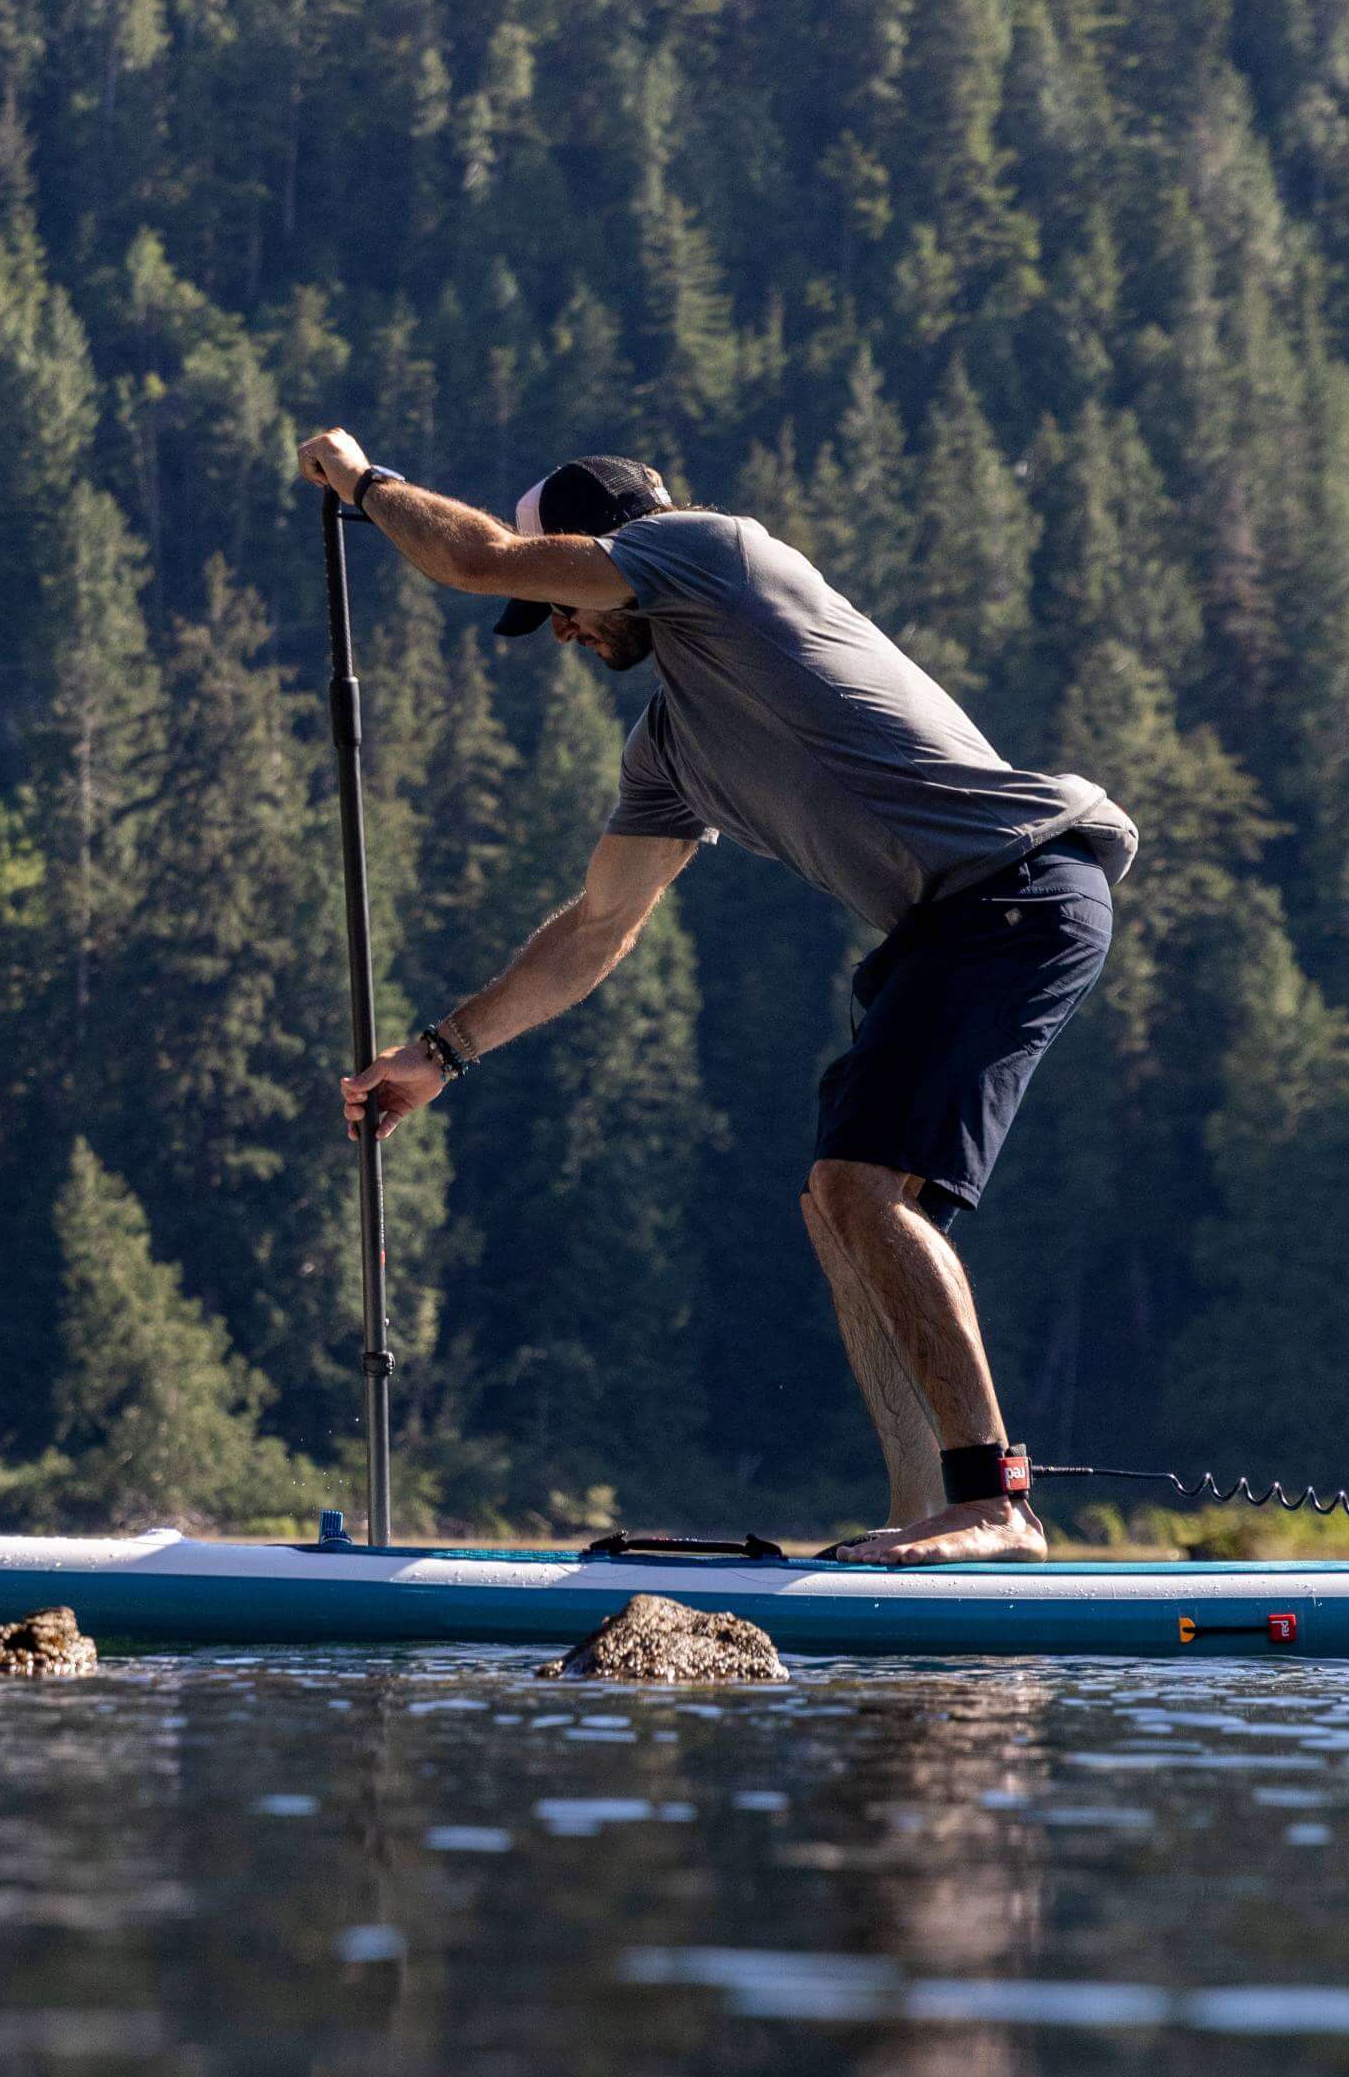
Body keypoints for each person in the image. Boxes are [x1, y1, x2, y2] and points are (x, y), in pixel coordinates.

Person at [292, 429, 1137, 1563]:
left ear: (605, 551)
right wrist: (439, 1053)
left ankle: (995, 1504)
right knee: (840, 1204)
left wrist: (362, 480)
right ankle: (925, 1514)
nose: (559, 628)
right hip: (949, 929)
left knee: (863, 1187)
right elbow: (598, 929)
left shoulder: (714, 556)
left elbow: (481, 560)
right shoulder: (672, 748)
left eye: (564, 597)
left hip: (1020, 890)